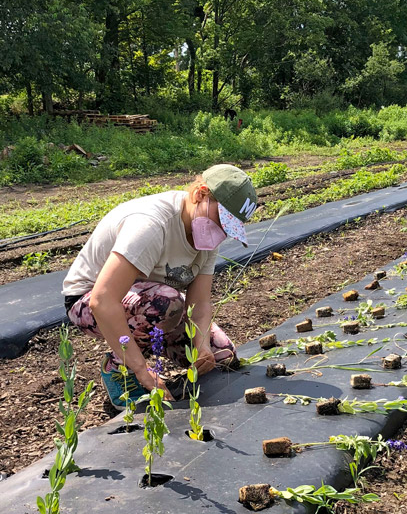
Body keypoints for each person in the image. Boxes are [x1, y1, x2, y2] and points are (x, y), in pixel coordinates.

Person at [62, 164, 259, 408]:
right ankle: (118, 368)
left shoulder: (205, 233)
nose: (221, 233)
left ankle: (157, 349)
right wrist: (140, 367)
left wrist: (202, 346)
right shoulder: (151, 224)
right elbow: (102, 300)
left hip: (154, 305)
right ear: (200, 194)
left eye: (228, 228)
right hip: (90, 302)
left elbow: (200, 302)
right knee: (167, 302)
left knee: (222, 355)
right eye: (221, 221)